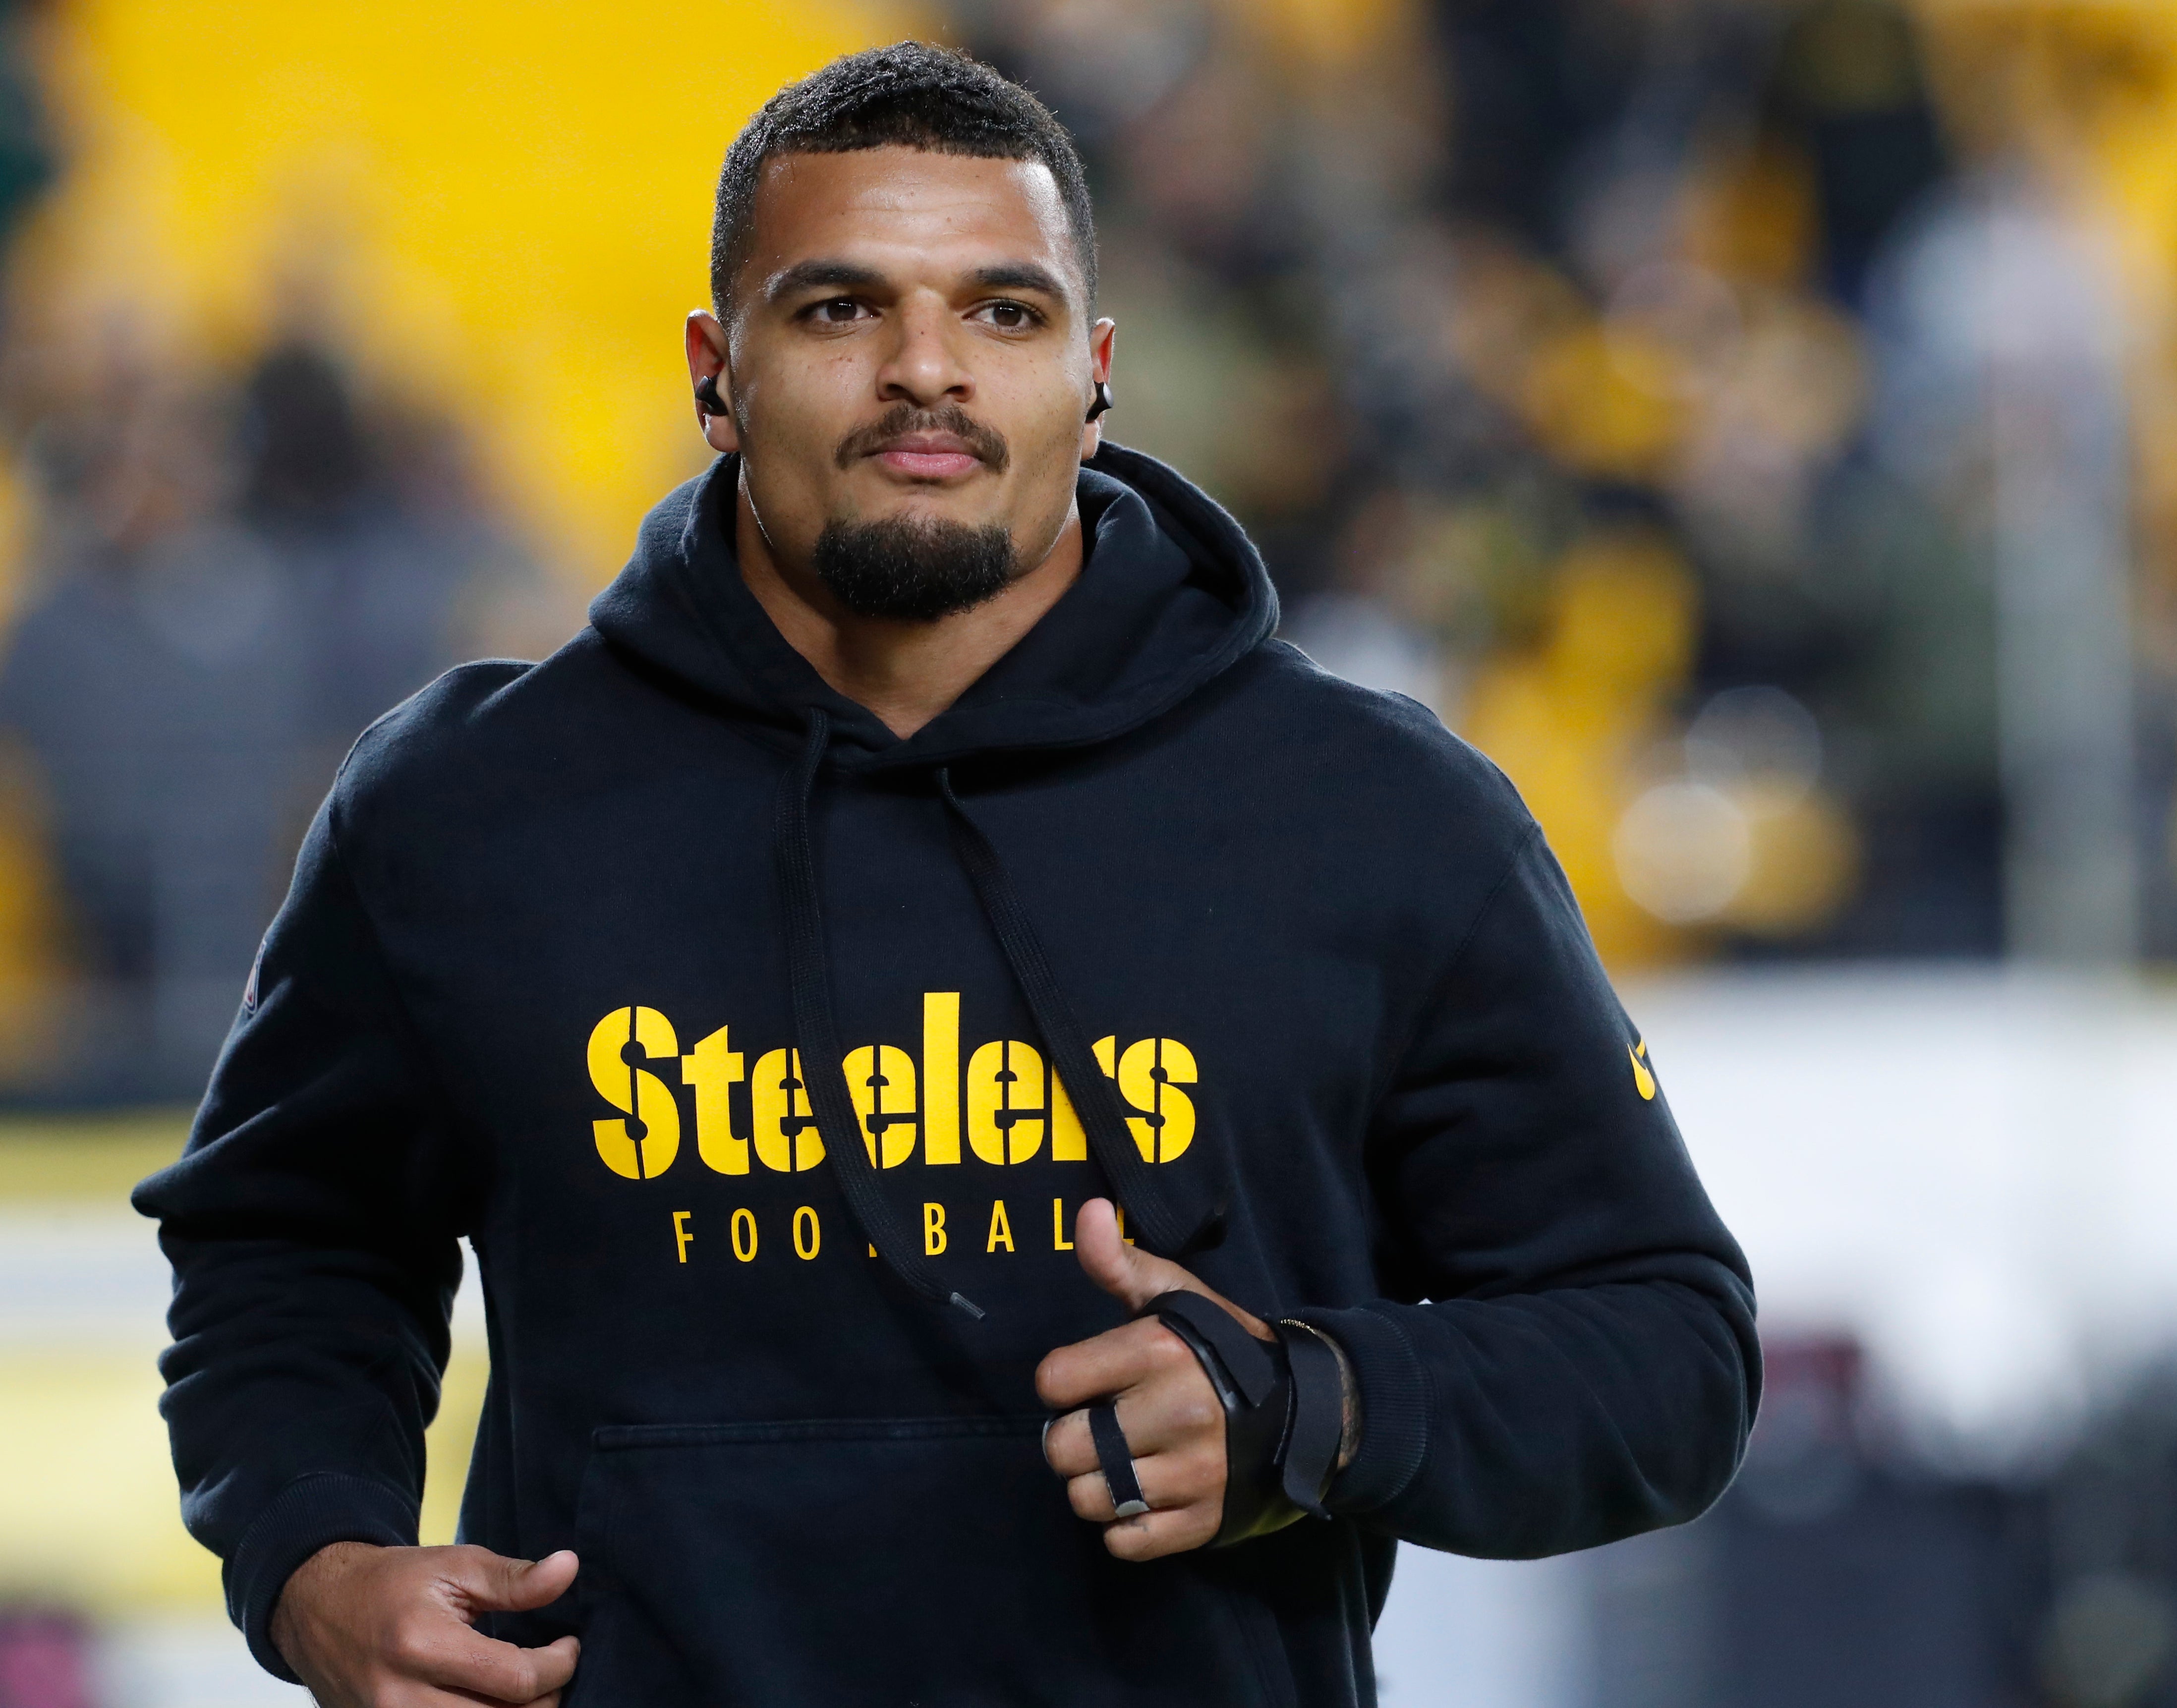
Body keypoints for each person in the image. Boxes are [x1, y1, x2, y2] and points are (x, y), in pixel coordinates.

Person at [134, 42, 1757, 1708]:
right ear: (717, 369)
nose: (929, 370)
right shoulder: (465, 809)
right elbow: (287, 1248)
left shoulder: (1379, 814)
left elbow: (1666, 1354)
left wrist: (1312, 1406)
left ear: (1097, 371)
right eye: (841, 309)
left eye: (1004, 311)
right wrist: (313, 1559)